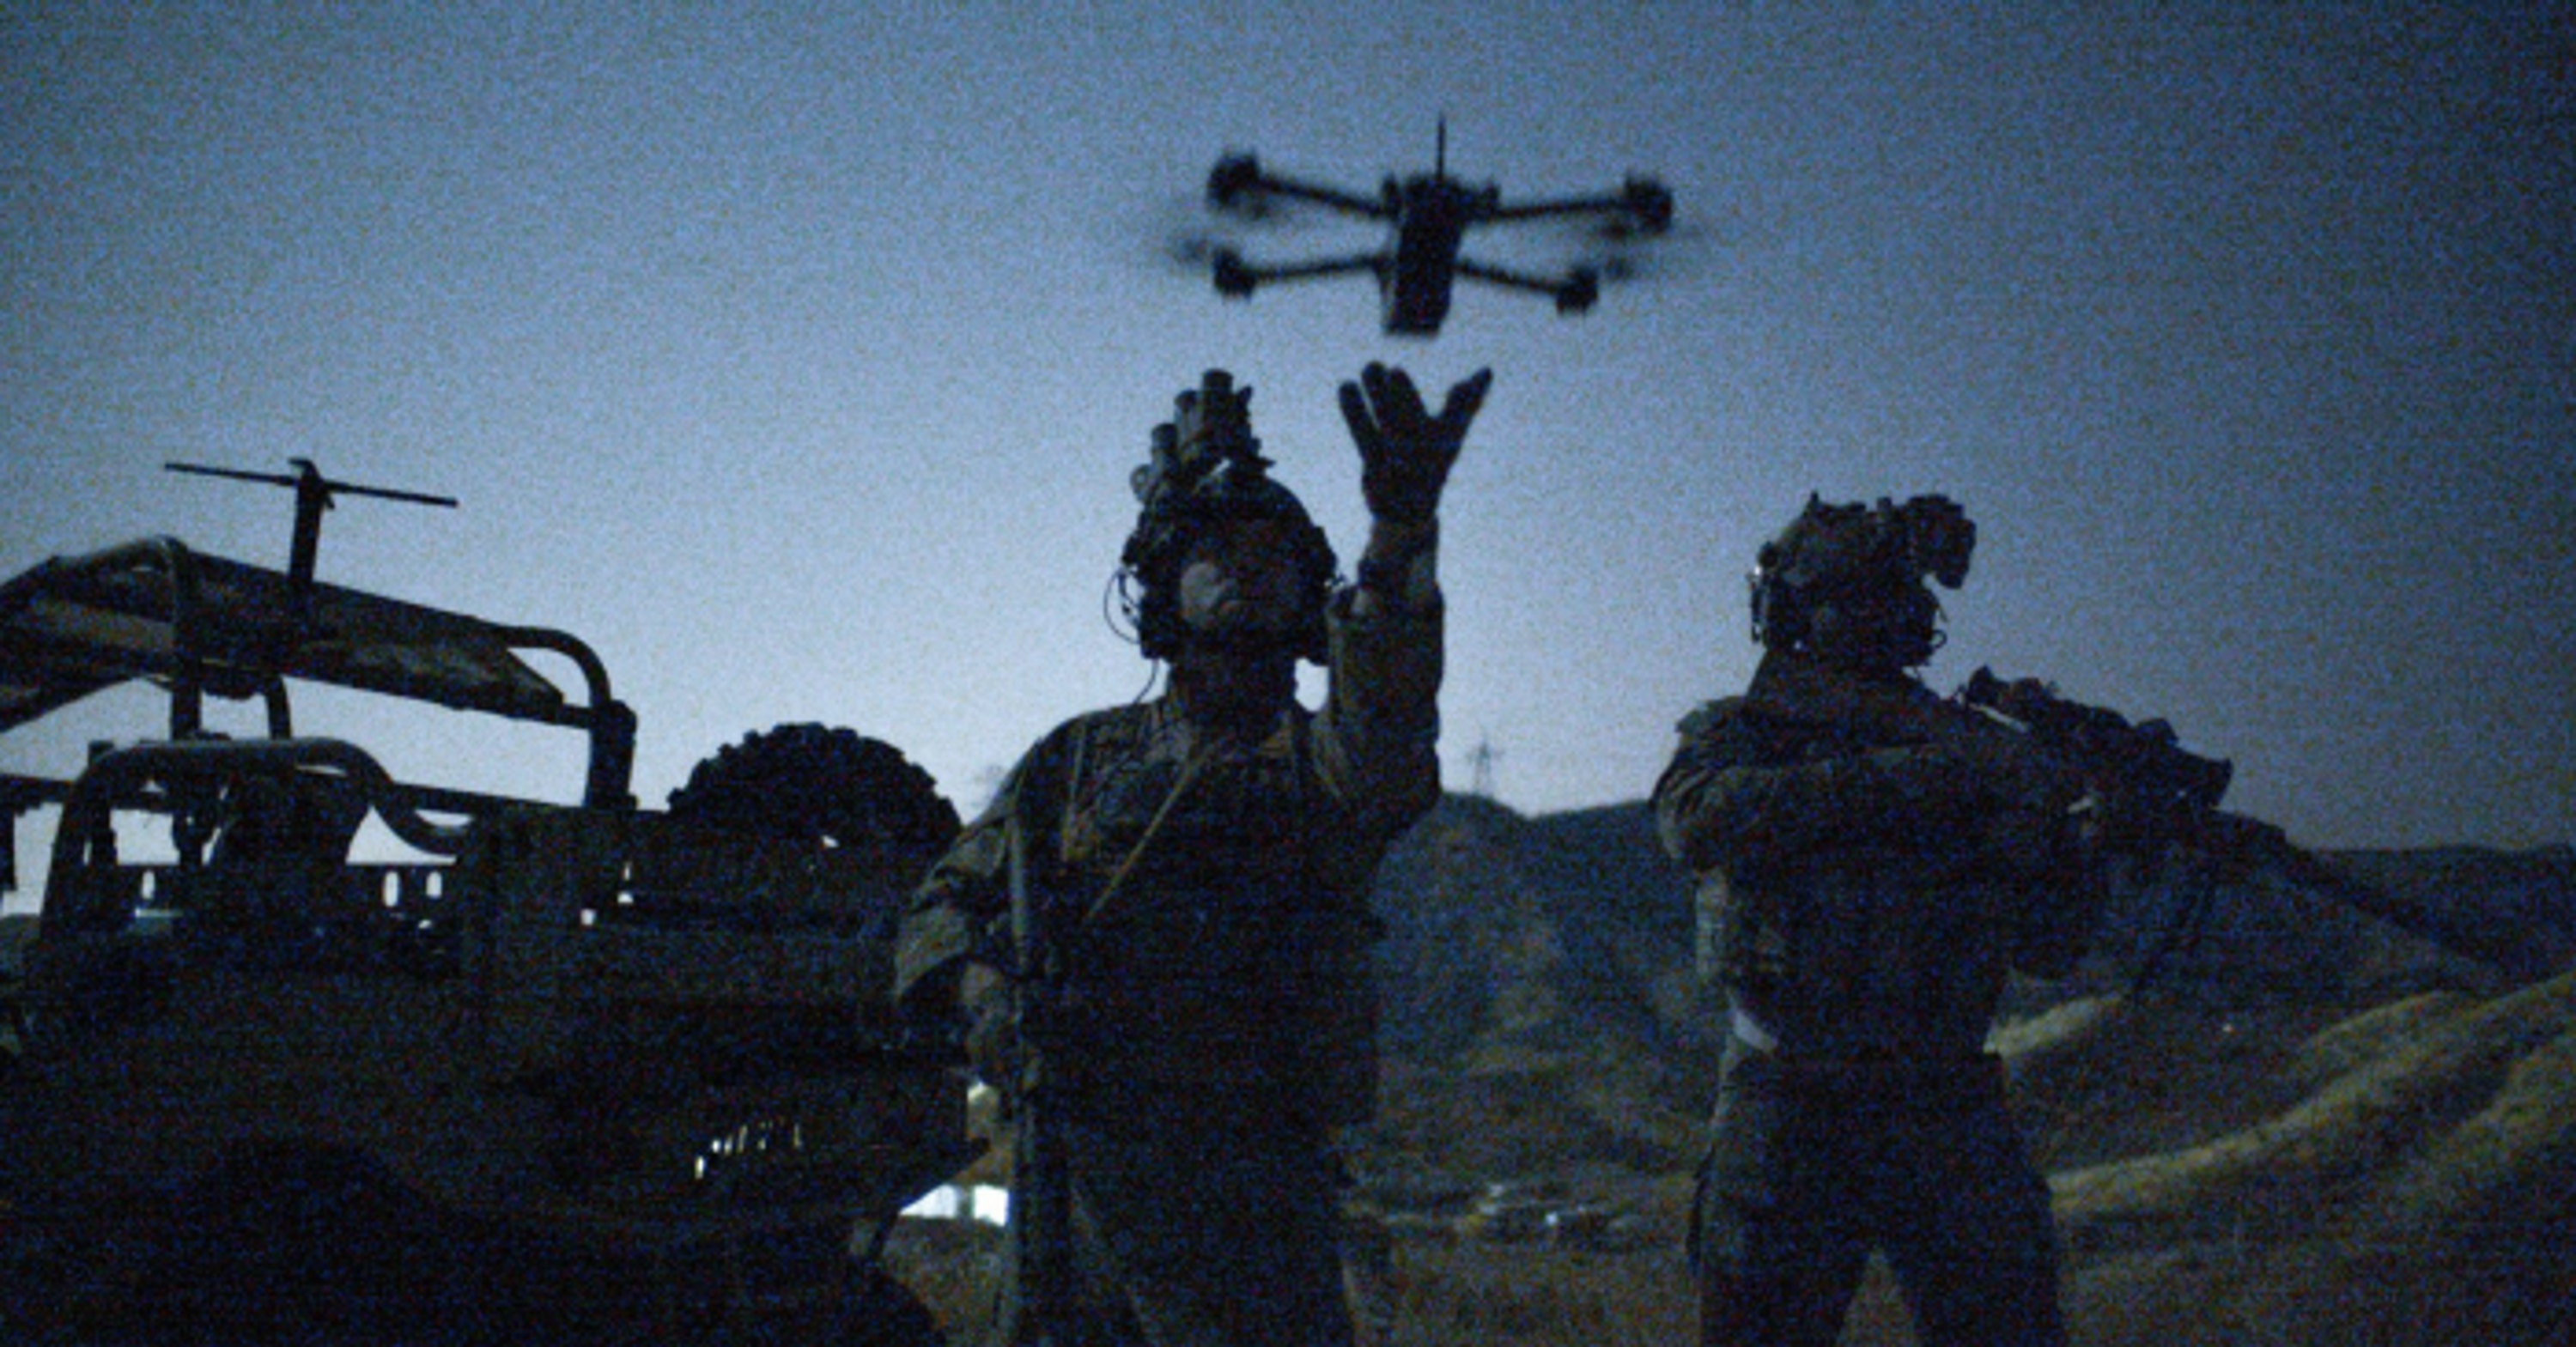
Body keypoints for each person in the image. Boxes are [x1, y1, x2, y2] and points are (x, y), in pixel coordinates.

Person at [896, 363, 1491, 1347]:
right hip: (1071, 1188)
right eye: (1215, 551)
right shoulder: (1079, 757)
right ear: (1166, 583)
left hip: (1251, 1206)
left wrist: (1398, 541)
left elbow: (1388, 727)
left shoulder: (1320, 761)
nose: (1245, 569)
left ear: (1309, 592)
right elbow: (947, 897)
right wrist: (979, 991)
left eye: (1269, 554)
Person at [1652, 494, 2109, 1347]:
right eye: (1852, 599)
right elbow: (1695, 821)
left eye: (1889, 597)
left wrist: (2083, 843)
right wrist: (1909, 782)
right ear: (1798, 612)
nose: (1877, 617)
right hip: (1791, 1097)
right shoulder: (1749, 731)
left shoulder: (1977, 751)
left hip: (1943, 1101)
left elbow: (2051, 945)